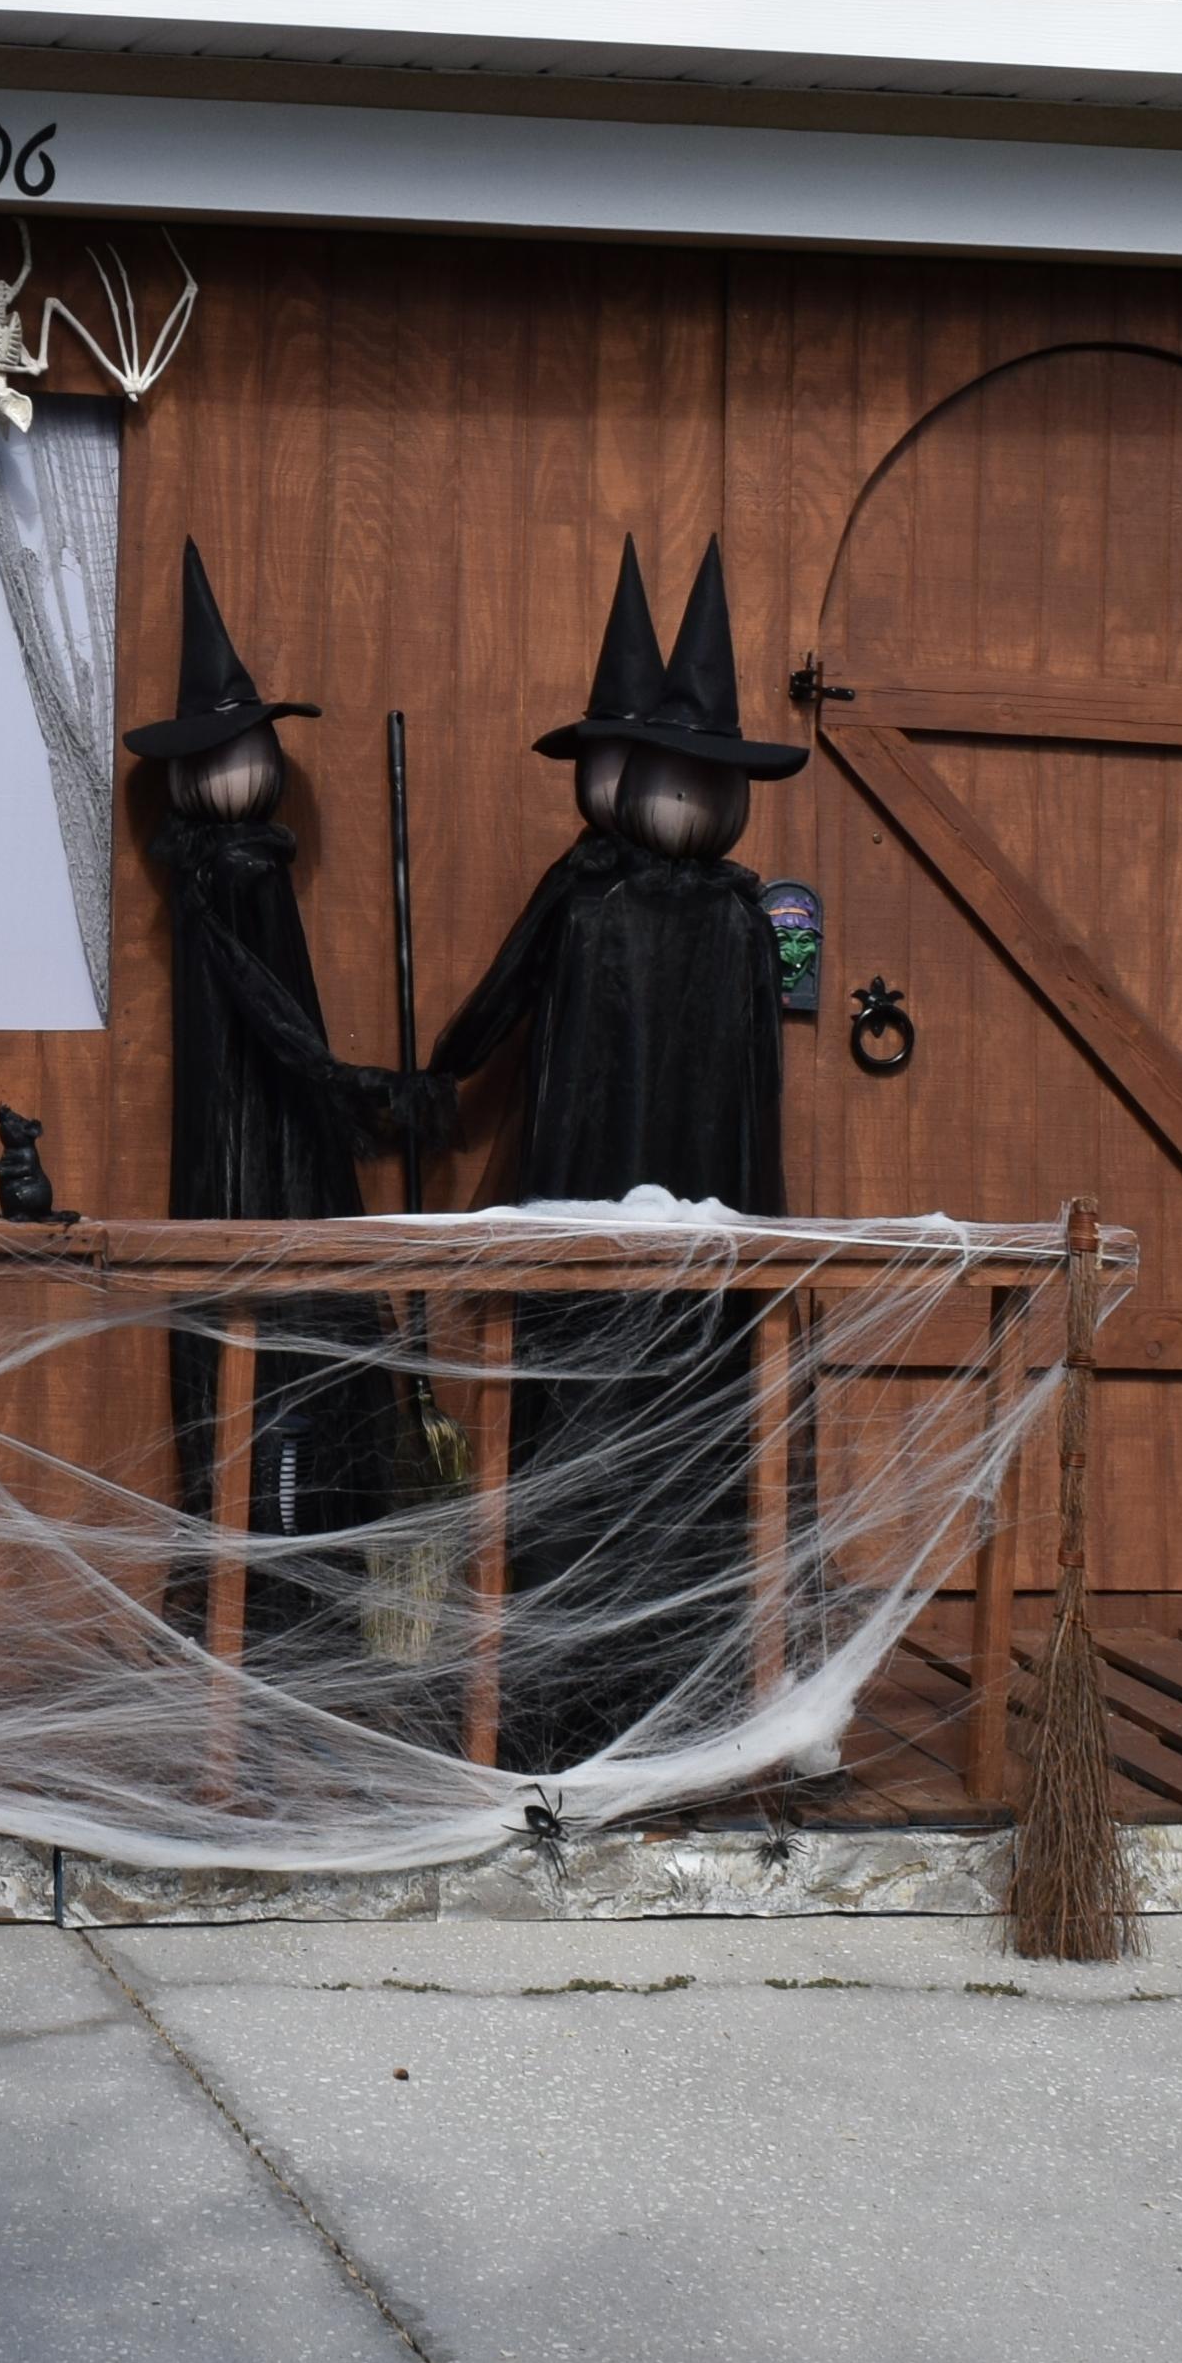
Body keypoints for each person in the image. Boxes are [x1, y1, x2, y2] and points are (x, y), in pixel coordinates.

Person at [425, 537, 807, 1772]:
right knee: (645, 1443)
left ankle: (615, 1691)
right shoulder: (707, 915)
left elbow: (485, 1023)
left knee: (623, 1446)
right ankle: (636, 1686)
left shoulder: (636, 906)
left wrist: (428, 1077)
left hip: (630, 1244)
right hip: (670, 1250)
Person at [123, 544, 425, 1650]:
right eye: (217, 758)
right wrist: (347, 1082)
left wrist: (343, 1090)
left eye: (243, 751)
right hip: (252, 1152)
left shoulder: (243, 870)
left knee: (310, 1357)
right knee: (269, 1360)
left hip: (284, 1146)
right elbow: (260, 1003)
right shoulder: (224, 879)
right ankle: (267, 1596)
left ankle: (312, 1587)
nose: (234, 774)